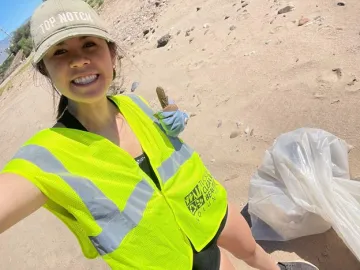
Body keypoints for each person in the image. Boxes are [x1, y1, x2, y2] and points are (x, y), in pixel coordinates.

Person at [0, 0, 319, 269]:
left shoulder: (131, 102)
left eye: (89, 44)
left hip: (204, 206)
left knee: (251, 250)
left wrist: (173, 115)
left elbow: (162, 126)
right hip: (164, 258)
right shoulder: (47, 156)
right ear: (45, 70)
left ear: (111, 53)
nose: (80, 60)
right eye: (60, 52)